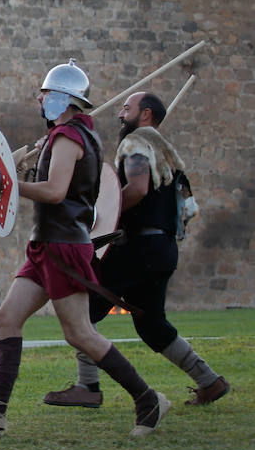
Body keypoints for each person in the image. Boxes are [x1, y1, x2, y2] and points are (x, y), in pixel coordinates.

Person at [0, 60, 171, 438]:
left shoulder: (69, 138)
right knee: (7, 318)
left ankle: (148, 398)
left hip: (65, 247)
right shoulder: (70, 137)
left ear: (63, 100)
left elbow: (55, 192)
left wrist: (9, 185)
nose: (40, 100)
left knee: (80, 333)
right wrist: (24, 169)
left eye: (46, 95)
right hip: (46, 246)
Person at [44, 92, 228, 409]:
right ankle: (209, 381)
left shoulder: (137, 144)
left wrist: (103, 216)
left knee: (83, 310)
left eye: (126, 109)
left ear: (145, 115)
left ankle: (88, 387)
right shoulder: (166, 152)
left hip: (138, 248)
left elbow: (138, 189)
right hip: (163, 250)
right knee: (152, 325)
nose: (120, 114)